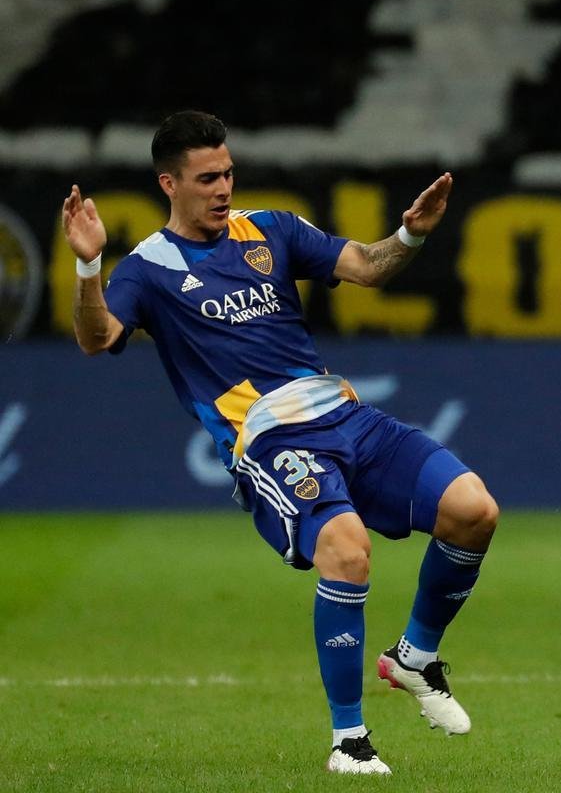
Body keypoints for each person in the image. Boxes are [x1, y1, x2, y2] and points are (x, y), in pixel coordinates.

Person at [63, 111, 499, 775]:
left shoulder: (271, 229)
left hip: (342, 413)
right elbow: (96, 340)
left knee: (474, 510)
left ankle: (414, 658)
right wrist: (90, 264)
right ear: (169, 183)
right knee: (346, 550)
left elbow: (368, 266)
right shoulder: (148, 269)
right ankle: (348, 742)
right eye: (207, 177)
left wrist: (411, 233)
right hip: (267, 438)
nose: (223, 188)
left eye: (228, 172)